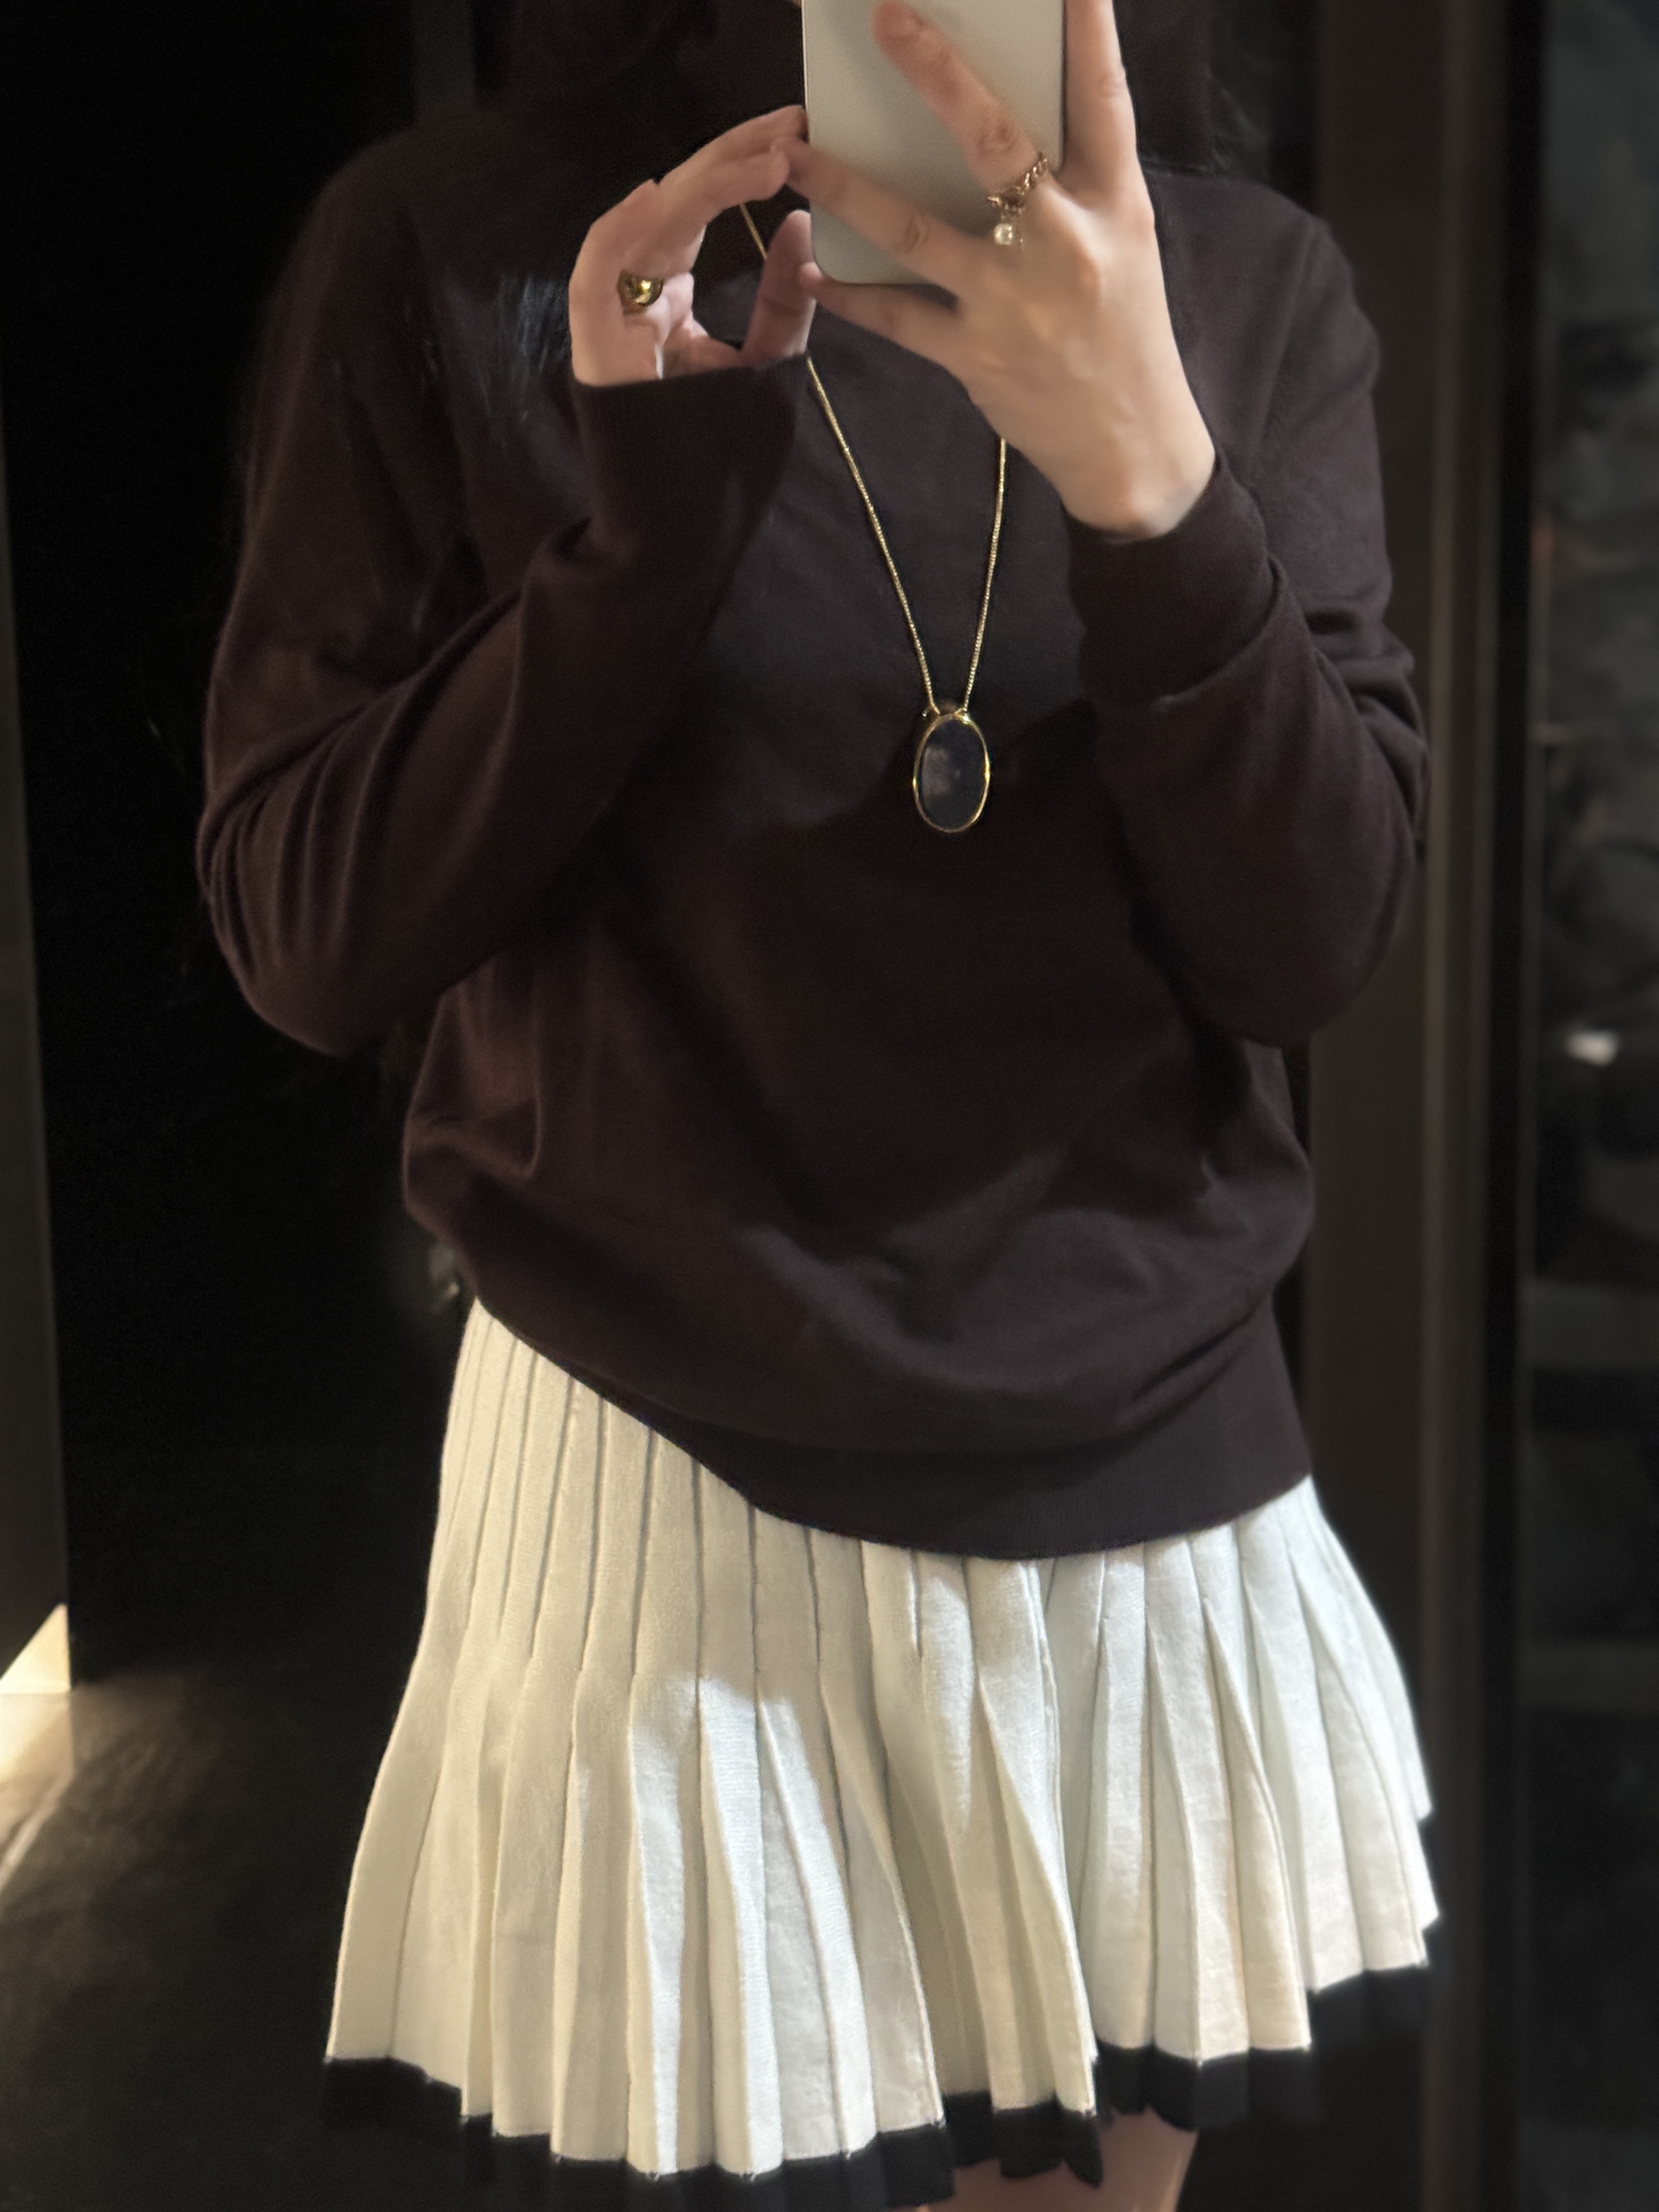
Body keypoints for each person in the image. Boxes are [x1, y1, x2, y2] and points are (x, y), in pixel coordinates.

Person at [198, 1, 1438, 2207]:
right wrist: (640, 546)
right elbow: (309, 928)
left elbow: (1313, 945)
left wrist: (1152, 480)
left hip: (1140, 1508)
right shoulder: (480, 249)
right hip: (659, 1516)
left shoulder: (1237, 286)